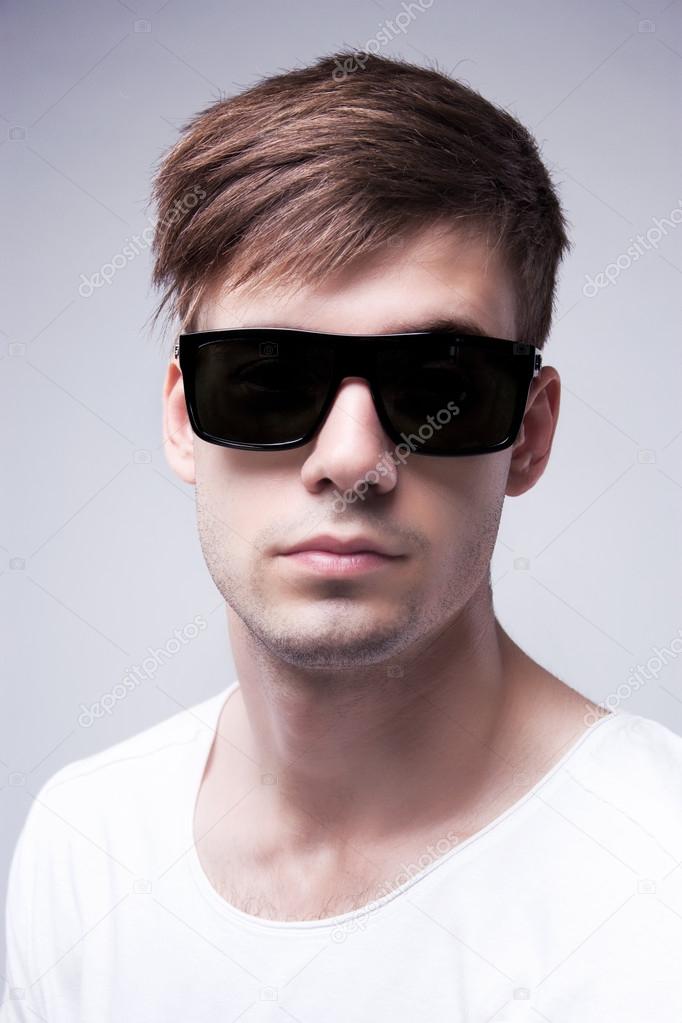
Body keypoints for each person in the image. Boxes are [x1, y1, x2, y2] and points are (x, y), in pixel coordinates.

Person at [4, 49, 682, 1023]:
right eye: (268, 377)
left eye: (438, 387)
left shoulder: (657, 882)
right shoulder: (85, 843)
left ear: (529, 433)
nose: (354, 458)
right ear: (181, 417)